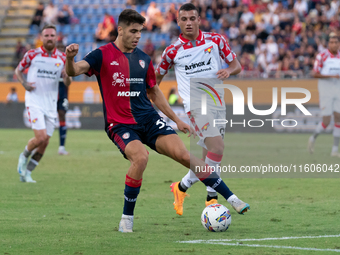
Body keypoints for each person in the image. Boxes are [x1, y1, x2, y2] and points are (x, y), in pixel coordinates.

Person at [65, 9, 250, 233]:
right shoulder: (101, 54)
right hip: (120, 124)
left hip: (150, 120)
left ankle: (232, 198)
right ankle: (127, 218)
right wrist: (69, 58)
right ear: (121, 30)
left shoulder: (143, 59)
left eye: (140, 32)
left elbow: (154, 92)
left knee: (184, 155)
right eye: (133, 31)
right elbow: (75, 71)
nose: (137, 36)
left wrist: (176, 119)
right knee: (141, 158)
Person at [156, 3, 249, 216]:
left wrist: (228, 70)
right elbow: (155, 80)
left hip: (217, 103)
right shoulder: (172, 51)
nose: (188, 22)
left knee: (208, 157)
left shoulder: (216, 40)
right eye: (184, 19)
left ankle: (181, 187)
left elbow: (237, 66)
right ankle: (219, 199)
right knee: (218, 147)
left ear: (199, 20)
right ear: (178, 22)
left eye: (192, 18)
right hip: (195, 107)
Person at [15, 25, 70, 183]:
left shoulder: (62, 58)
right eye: (46, 35)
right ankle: (23, 155)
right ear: (42, 37)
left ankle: (27, 173)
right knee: (40, 138)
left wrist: (67, 76)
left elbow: (68, 81)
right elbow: (18, 70)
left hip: (51, 104)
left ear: (56, 37)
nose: (49, 38)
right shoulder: (32, 54)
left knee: (45, 142)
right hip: (34, 100)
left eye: (52, 35)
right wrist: (24, 84)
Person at [308, 33, 340, 157]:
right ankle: (313, 137)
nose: (334, 44)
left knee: (338, 117)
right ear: (328, 44)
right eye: (331, 42)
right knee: (326, 120)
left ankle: (334, 150)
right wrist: (331, 76)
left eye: (336, 42)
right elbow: (315, 73)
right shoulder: (322, 56)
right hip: (326, 88)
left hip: (338, 87)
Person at [57, 43, 72, 155]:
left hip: (62, 91)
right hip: (49, 92)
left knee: (62, 114)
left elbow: (69, 81)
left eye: (62, 49)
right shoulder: (49, 60)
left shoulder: (66, 62)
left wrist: (66, 77)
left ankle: (61, 147)